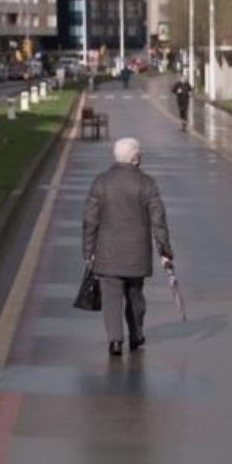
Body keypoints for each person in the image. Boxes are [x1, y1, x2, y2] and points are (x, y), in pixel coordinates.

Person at [82, 138, 174, 357]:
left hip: (107, 254)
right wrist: (164, 250)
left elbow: (90, 220)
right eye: (139, 153)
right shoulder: (147, 183)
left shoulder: (100, 182)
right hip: (137, 254)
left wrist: (88, 251)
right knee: (135, 295)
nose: (141, 156)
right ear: (135, 157)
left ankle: (115, 341)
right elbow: (158, 220)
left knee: (111, 298)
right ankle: (136, 334)